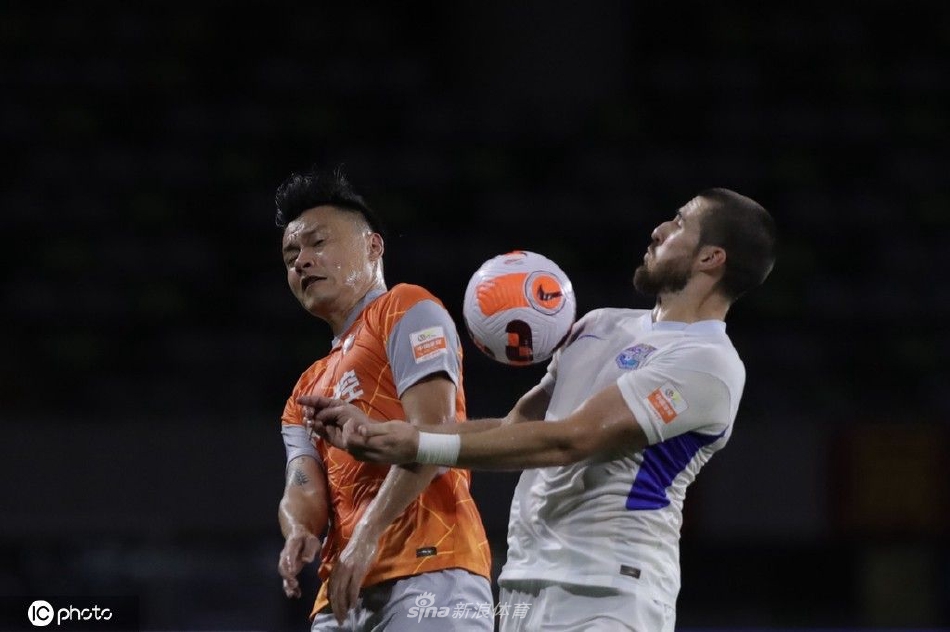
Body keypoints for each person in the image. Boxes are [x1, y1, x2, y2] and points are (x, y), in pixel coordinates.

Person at [301, 188, 777, 632]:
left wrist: (417, 443)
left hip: (611, 596)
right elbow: (517, 428)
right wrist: (387, 434)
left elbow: (571, 440)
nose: (659, 230)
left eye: (680, 223)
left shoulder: (709, 363)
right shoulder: (599, 324)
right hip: (523, 588)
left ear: (711, 258)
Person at [274, 165, 493, 631]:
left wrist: (367, 536)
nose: (301, 262)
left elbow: (435, 437)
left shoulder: (406, 309)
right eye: (291, 254)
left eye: (317, 243)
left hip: (432, 566)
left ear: (373, 246)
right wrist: (299, 531)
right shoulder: (304, 390)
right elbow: (303, 484)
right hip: (341, 593)